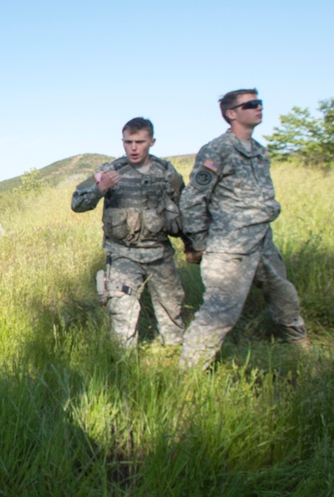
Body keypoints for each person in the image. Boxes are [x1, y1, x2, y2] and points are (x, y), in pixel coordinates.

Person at [179, 89, 309, 370]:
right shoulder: (217, 150)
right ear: (231, 113)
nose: (258, 108)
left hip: (262, 240)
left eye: (259, 102)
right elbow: (192, 199)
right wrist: (198, 243)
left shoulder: (259, 151)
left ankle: (298, 344)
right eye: (250, 104)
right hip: (230, 247)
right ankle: (187, 373)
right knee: (219, 312)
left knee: (283, 294)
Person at [71, 117, 190, 348]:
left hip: (159, 254)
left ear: (152, 142)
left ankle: (174, 357)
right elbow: (77, 204)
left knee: (172, 311)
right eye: (128, 142)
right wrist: (99, 188)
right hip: (122, 255)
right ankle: (124, 368)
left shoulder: (166, 172)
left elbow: (184, 209)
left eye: (140, 142)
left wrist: (191, 244)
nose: (133, 148)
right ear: (122, 142)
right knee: (122, 314)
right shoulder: (109, 171)